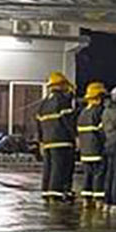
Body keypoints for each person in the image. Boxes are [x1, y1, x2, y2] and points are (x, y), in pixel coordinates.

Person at [37, 71, 77, 201]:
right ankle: (56, 193)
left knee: (48, 167)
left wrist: (41, 141)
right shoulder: (63, 101)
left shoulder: (43, 104)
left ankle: (47, 191)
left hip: (47, 141)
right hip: (62, 140)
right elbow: (68, 121)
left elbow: (38, 123)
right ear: (61, 85)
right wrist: (75, 136)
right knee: (59, 167)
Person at [77, 82, 108, 207]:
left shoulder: (83, 113)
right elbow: (102, 131)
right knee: (99, 174)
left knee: (87, 175)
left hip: (85, 151)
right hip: (97, 149)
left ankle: (86, 199)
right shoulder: (99, 111)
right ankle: (98, 200)